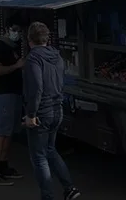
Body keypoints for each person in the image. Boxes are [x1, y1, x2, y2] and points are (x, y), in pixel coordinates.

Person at [23, 22, 80, 200]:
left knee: (39, 157)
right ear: (47, 39)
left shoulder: (33, 59)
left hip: (41, 113)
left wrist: (31, 114)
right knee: (50, 150)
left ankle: (48, 197)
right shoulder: (57, 57)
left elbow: (36, 88)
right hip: (57, 109)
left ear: (29, 39)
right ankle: (69, 188)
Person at [0, 24, 25, 186]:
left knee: (9, 132)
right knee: (1, 132)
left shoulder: (15, 47)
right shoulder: (0, 46)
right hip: (4, 94)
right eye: (14, 29)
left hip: (15, 93)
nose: (17, 33)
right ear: (6, 30)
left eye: (19, 30)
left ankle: (4, 165)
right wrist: (16, 66)